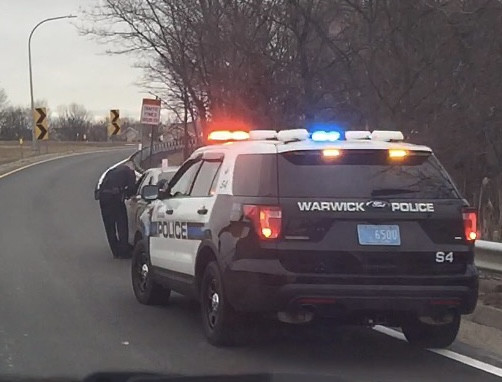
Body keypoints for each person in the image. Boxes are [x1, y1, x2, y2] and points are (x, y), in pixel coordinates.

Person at [96, 160, 136, 258]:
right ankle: (124, 250)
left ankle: (115, 251)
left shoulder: (111, 171)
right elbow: (132, 188)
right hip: (115, 197)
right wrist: (127, 195)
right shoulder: (130, 172)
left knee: (109, 226)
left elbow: (101, 185)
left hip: (103, 197)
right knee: (122, 223)